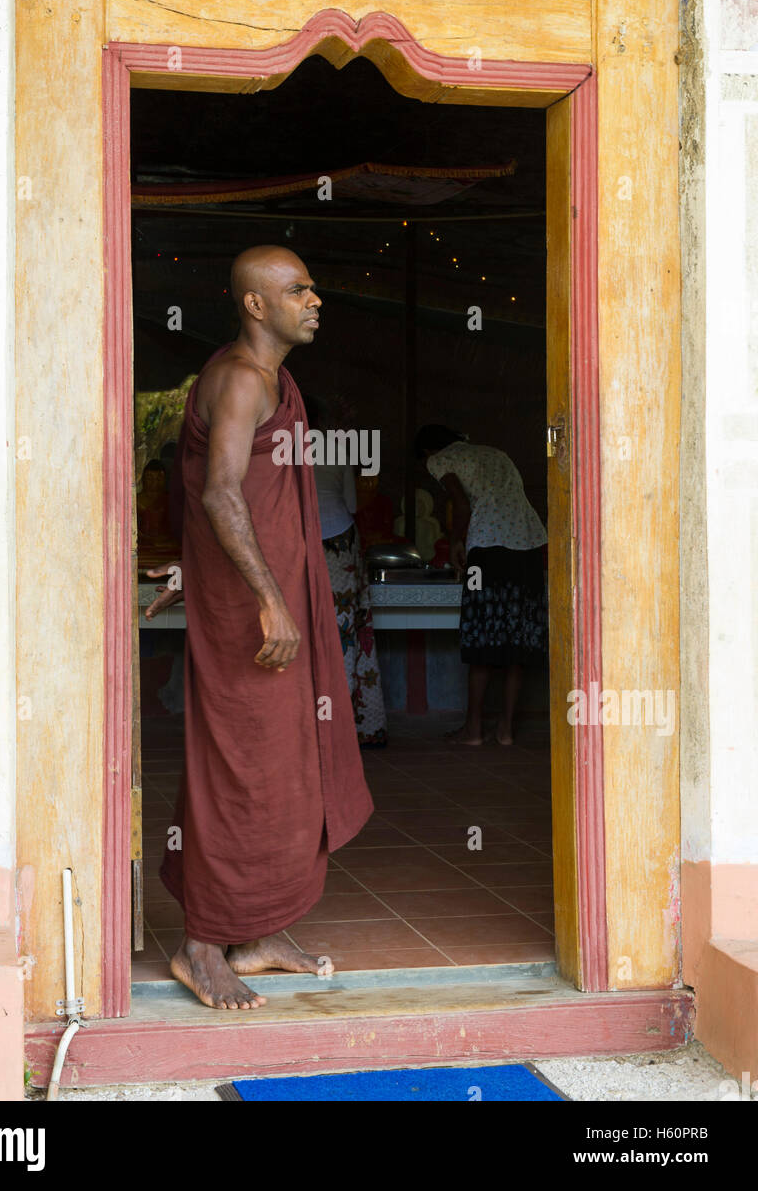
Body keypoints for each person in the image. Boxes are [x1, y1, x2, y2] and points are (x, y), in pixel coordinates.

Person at [144, 246, 373, 1011]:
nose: (315, 300)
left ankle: (259, 929)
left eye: (311, 286)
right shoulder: (241, 378)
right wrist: (271, 599)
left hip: (266, 596)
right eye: (297, 289)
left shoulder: (273, 377)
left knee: (285, 770)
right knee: (238, 769)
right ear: (254, 304)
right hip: (253, 610)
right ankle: (202, 943)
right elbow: (219, 494)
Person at [415, 425, 548, 747]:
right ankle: (505, 731)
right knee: (518, 639)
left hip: (487, 550)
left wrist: (456, 541)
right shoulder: (496, 453)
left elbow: (460, 505)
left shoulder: (439, 460)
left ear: (427, 452)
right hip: (530, 547)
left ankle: (473, 730)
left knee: (481, 635)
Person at [303, 394, 388, 748]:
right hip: (340, 544)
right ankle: (345, 727)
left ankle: (304, 729)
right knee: (345, 632)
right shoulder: (335, 446)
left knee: (301, 627)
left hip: (298, 541)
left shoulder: (275, 447)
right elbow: (352, 503)